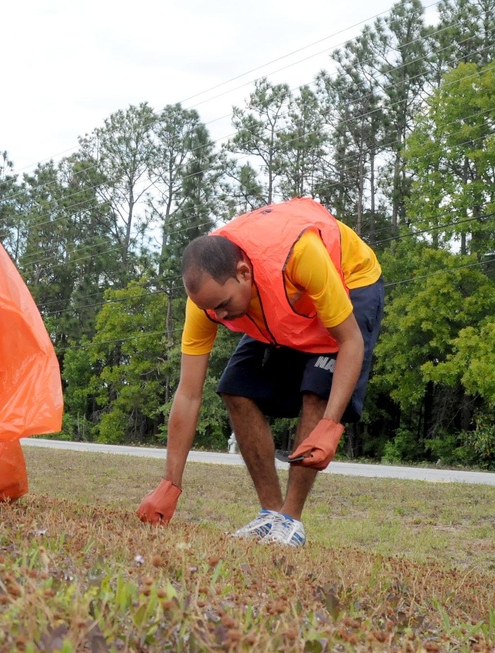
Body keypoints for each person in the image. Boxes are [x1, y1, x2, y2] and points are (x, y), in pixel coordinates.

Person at [136, 198, 383, 546]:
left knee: (317, 392)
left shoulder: (300, 255)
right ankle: (270, 516)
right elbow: (189, 393)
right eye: (211, 310)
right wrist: (170, 482)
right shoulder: (207, 303)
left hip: (349, 281)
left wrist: (330, 425)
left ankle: (290, 522)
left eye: (223, 306)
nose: (219, 319)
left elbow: (350, 342)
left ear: (243, 273)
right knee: (236, 387)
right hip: (280, 303)